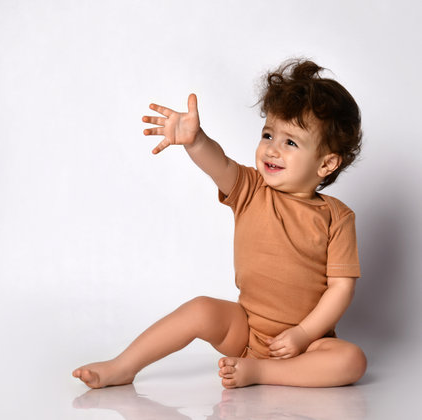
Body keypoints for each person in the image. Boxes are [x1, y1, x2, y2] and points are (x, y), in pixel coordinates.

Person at [72, 59, 367, 389]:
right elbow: (220, 164)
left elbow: (341, 288)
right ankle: (122, 366)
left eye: (290, 142)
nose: (272, 148)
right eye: (268, 134)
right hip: (247, 329)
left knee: (352, 360)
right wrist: (196, 141)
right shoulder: (251, 189)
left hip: (306, 345)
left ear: (327, 162)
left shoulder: (338, 217)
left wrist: (303, 334)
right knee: (199, 309)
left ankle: (261, 373)